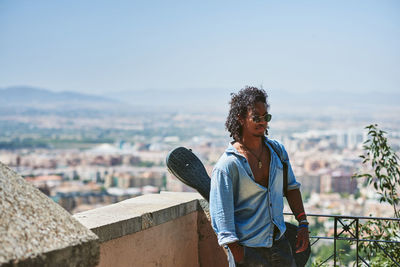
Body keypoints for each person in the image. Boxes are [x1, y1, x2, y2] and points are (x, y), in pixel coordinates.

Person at [209, 86, 309, 267]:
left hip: (280, 246)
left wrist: (303, 223)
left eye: (266, 117)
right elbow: (223, 223)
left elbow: (291, 188)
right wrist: (241, 256)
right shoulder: (227, 167)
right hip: (248, 252)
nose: (262, 122)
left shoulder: (278, 152)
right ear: (240, 118)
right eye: (256, 117)